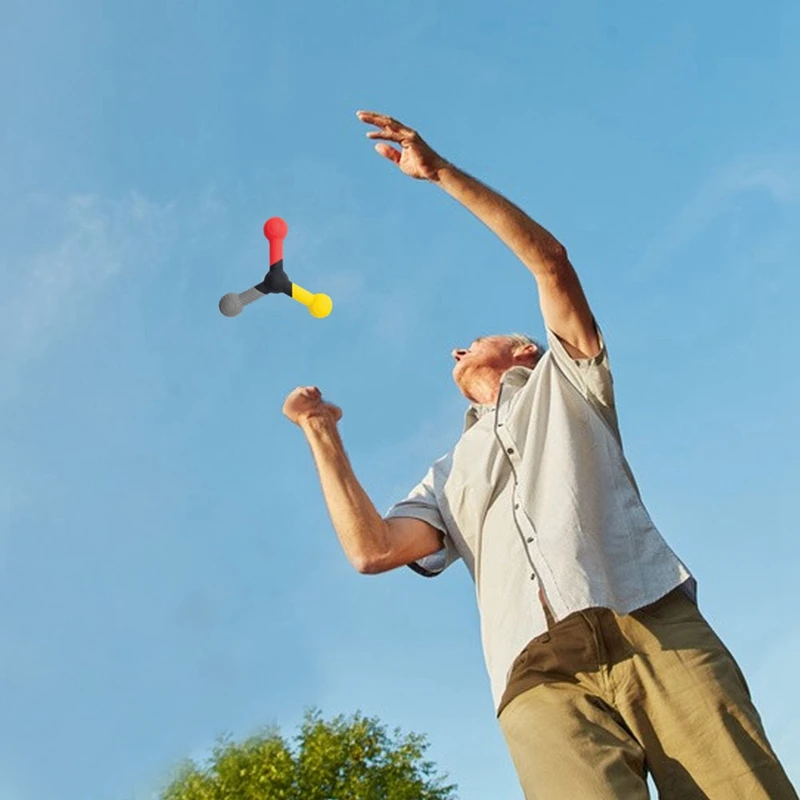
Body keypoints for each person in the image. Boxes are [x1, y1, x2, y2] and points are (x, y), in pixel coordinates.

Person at [282, 110, 798, 799]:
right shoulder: (446, 475)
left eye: (474, 339)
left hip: (648, 624)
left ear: (524, 348)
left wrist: (440, 174)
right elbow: (372, 549)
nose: (456, 350)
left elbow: (549, 260)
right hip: (536, 680)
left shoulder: (569, 380)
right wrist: (321, 434)